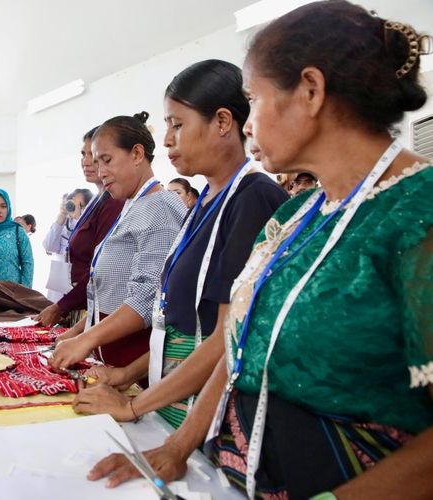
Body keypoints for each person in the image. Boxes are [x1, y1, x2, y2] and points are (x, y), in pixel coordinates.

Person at [89, 3, 433, 499]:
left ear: (310, 91)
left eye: (254, 99)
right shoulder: (295, 216)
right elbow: (236, 344)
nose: (247, 124)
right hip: (237, 478)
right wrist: (178, 447)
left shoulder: (419, 212)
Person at [73, 60, 287, 429]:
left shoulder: (253, 199)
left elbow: (226, 337)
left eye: (177, 125)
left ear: (222, 122)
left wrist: (134, 406)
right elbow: (175, 327)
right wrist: (126, 375)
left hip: (205, 416)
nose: (168, 140)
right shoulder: (204, 204)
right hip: (172, 402)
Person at [49, 112, 187, 376]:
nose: (101, 172)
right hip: (114, 364)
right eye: (97, 162)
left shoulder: (160, 207)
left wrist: (86, 340)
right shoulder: (133, 205)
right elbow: (111, 294)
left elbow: (148, 298)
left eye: (107, 160)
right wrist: (77, 333)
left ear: (137, 154)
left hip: (137, 370)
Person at [34, 127, 125, 327]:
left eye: (94, 154)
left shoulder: (113, 202)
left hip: (96, 307)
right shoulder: (98, 200)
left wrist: (61, 306)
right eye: (83, 154)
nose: (86, 161)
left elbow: (100, 268)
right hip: (81, 300)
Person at [42, 189, 93, 302]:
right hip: (58, 283)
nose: (70, 207)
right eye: (68, 204)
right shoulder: (62, 224)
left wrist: (79, 218)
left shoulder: (90, 226)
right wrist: (60, 219)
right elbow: (48, 246)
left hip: (78, 281)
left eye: (77, 205)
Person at [0, 189, 34, 287]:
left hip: (13, 291)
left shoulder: (18, 231)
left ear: (8, 208)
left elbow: (28, 262)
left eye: (3, 206)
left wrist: (25, 289)